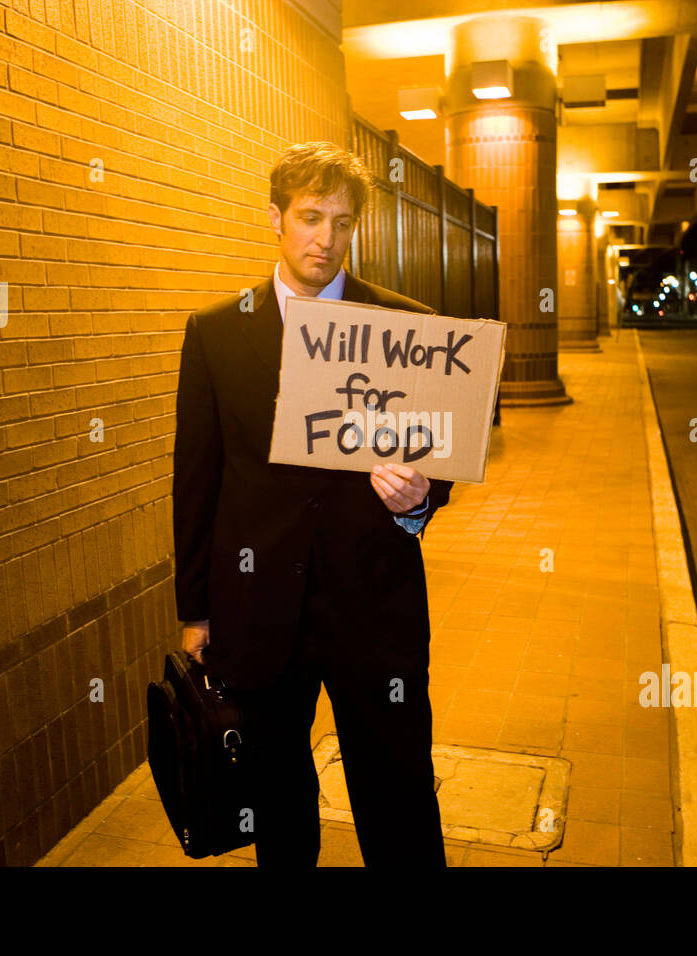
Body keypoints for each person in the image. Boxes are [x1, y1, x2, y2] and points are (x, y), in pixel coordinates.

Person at [171, 142, 452, 867]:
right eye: (309, 217)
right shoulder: (215, 331)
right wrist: (196, 611)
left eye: (342, 222)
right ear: (275, 218)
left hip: (375, 610)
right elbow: (197, 479)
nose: (325, 239)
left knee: (399, 800)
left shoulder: (403, 327)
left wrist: (419, 498)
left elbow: (436, 455)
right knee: (280, 810)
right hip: (258, 610)